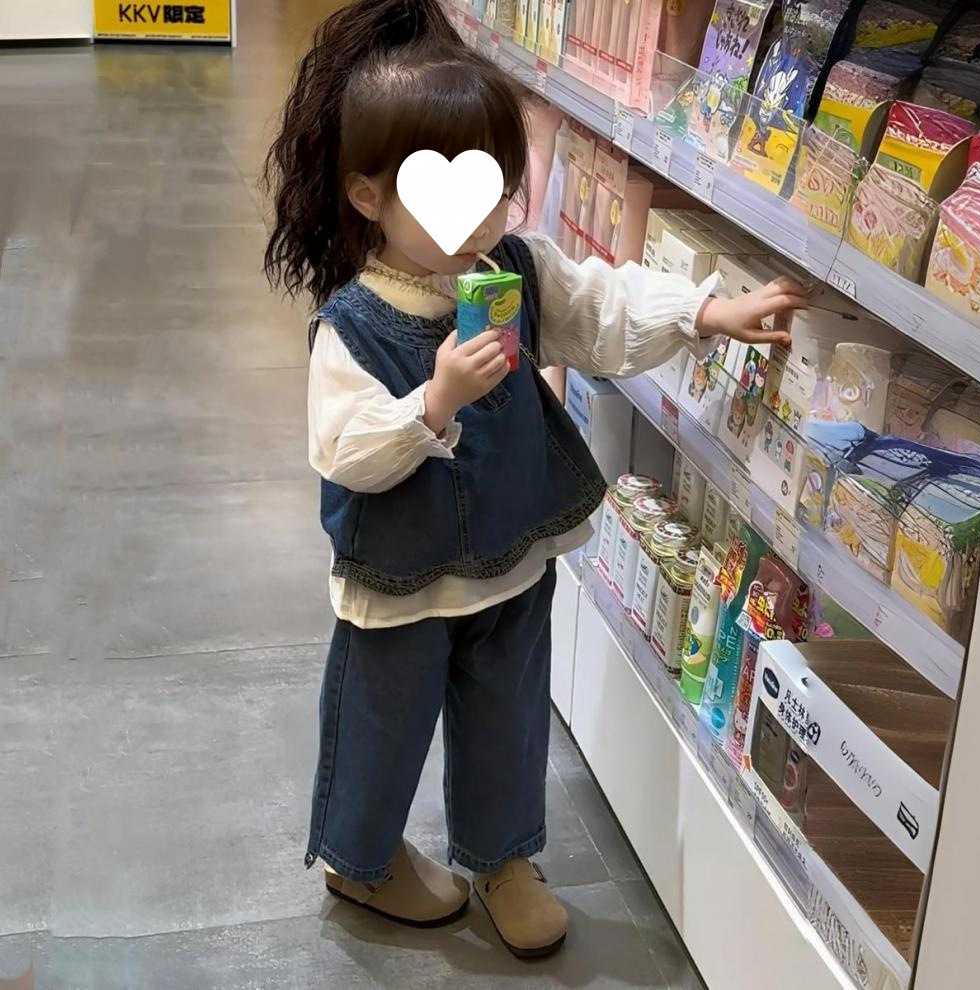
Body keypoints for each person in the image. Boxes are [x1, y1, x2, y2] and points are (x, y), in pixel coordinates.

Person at [263, 0, 803, 960]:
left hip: (510, 554)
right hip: (398, 578)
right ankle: (363, 858)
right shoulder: (353, 324)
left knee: (509, 713)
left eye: (491, 189)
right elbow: (343, 450)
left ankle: (504, 859)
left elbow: (600, 305)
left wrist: (704, 313)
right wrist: (434, 400)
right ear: (367, 196)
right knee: (383, 719)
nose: (475, 221)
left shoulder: (514, 271)